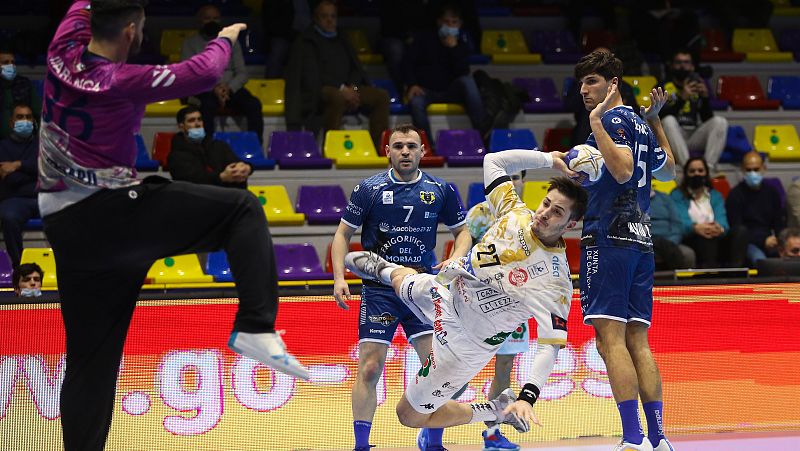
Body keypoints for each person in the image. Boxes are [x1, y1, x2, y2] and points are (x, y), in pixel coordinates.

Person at [40, 3, 307, 450]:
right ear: (130, 31)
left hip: (66, 229)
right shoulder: (122, 79)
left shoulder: (59, 53)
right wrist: (226, 38)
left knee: (90, 363)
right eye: (142, 28)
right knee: (242, 210)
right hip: (111, 213)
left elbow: (81, 6)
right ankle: (256, 327)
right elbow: (204, 72)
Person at [343, 153, 587, 447]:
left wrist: (527, 397)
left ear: (570, 224)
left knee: (408, 414)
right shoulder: (515, 212)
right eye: (546, 203)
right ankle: (387, 270)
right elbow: (493, 161)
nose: (545, 213)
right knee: (399, 280)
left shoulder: (555, 281)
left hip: (466, 344)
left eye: (557, 212)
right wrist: (548, 159)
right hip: (446, 293)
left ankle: (496, 410)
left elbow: (550, 345)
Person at [331, 123, 471, 451]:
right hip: (380, 289)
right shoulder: (369, 189)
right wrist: (339, 277)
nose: (405, 151)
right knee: (369, 368)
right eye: (398, 146)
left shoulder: (440, 189)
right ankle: (361, 446)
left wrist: (456, 258)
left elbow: (463, 232)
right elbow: (342, 235)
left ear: (423, 151)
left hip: (421, 288)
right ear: (387, 151)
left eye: (411, 146)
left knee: (443, 372)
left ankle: (431, 440)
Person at [574, 49, 677, 451]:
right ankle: (658, 437)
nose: (584, 90)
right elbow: (668, 169)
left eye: (592, 81)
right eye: (582, 83)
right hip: (641, 239)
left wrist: (595, 125)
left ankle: (633, 439)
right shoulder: (639, 123)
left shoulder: (611, 120)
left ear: (613, 84)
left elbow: (621, 170)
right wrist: (656, 121)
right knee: (638, 340)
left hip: (608, 238)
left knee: (610, 340)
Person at [464, 170, 528, 451]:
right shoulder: (479, 214)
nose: (512, 183)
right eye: (506, 177)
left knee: (504, 368)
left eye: (517, 177)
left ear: (524, 180)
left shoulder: (532, 217)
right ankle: (433, 431)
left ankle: (492, 435)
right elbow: (463, 254)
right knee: (460, 371)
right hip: (478, 304)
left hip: (514, 304)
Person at [284, 0, 390, 147]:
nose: (329, 20)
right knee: (337, 97)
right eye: (324, 16)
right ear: (316, 18)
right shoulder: (306, 41)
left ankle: (380, 147)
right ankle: (331, 146)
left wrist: (352, 88)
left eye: (333, 16)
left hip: (348, 87)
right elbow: (313, 75)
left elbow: (356, 68)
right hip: (321, 89)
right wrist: (342, 88)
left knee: (381, 96)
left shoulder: (342, 38)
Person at [403, 3, 487, 145]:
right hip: (426, 90)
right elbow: (407, 63)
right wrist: (412, 84)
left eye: (454, 22)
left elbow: (463, 72)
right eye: (446, 22)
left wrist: (453, 48)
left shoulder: (461, 43)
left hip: (450, 90)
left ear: (459, 24)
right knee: (416, 102)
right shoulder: (424, 39)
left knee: (467, 81)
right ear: (439, 22)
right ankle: (428, 146)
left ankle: (483, 135)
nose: (450, 26)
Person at [181, 4, 265, 143]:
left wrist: (228, 88)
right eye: (207, 18)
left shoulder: (232, 42)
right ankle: (206, 147)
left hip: (230, 88)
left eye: (215, 18)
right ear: (200, 21)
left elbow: (242, 73)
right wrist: (214, 88)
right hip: (205, 90)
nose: (212, 22)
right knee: (206, 107)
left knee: (253, 104)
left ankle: (254, 146)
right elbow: (190, 75)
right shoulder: (190, 43)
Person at [670, 158, 747, 268]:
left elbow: (722, 220)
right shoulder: (677, 195)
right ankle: (709, 275)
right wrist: (695, 228)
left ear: (706, 173)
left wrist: (719, 228)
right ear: (686, 174)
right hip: (691, 236)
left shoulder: (716, 195)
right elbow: (679, 221)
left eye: (700, 171)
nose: (696, 174)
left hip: (715, 235)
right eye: (692, 171)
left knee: (740, 231)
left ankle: (736, 272)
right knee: (705, 239)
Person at [658, 49, 727, 170]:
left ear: (692, 66)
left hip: (693, 133)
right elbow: (659, 116)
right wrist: (682, 98)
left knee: (720, 122)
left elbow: (707, 118)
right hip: (671, 136)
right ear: (672, 65)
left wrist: (705, 98)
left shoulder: (697, 85)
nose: (682, 66)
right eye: (678, 62)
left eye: (686, 62)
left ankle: (707, 168)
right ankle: (688, 168)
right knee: (669, 120)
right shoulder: (662, 87)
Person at [168, 105, 252, 189]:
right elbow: (191, 179)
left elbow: (235, 163)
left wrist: (245, 168)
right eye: (191, 120)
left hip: (226, 193)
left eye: (199, 119)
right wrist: (221, 177)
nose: (197, 124)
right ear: (181, 127)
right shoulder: (176, 156)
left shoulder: (218, 145)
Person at [725, 151, 785, 265]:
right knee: (762, 262)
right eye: (749, 170)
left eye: (756, 169)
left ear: (764, 169)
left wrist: (779, 241)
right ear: (742, 170)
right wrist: (763, 240)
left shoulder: (772, 193)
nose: (753, 173)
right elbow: (737, 229)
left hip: (771, 240)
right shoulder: (735, 195)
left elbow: (779, 223)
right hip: (747, 243)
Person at [0, 103, 40, 267]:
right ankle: (20, 268)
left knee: (68, 211)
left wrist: (18, 165)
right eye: (20, 117)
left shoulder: (43, 145)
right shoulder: (2, 147)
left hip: (43, 197)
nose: (25, 121)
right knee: (8, 217)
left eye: (28, 117)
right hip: (15, 199)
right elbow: (10, 179)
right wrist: (33, 171)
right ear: (11, 123)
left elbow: (47, 168)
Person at [261, 0, 312, 78]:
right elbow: (270, 23)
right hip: (282, 35)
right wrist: (292, 34)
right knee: (278, 52)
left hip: (307, 35)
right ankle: (271, 82)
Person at [0, 47, 42, 139]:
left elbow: (38, 113)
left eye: (13, 62)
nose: (11, 65)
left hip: (23, 141)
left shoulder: (25, 84)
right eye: (6, 62)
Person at [649, 187, 695, 270]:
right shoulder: (630, 199)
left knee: (688, 254)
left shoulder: (664, 198)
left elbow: (677, 224)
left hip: (669, 241)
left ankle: (680, 279)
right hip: (644, 242)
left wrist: (670, 243)